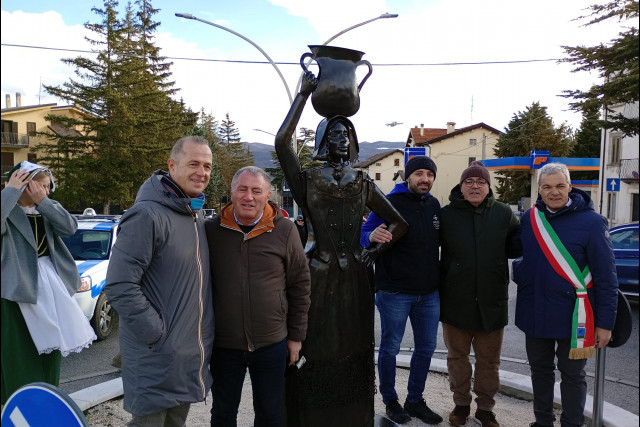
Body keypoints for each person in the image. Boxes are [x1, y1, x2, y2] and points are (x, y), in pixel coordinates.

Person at [276, 72, 408, 426]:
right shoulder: (307, 179)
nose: (341, 139)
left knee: (354, 344)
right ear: (322, 140)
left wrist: (373, 253)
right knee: (314, 344)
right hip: (316, 273)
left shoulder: (363, 181)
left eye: (346, 134)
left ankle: (353, 413)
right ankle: (311, 415)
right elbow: (282, 143)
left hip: (357, 278)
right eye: (334, 134)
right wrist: (303, 96)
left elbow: (399, 223)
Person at [105, 136, 214, 426]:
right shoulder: (146, 215)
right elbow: (119, 285)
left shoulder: (193, 214)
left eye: (207, 166)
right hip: (155, 355)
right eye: (193, 164)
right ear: (172, 165)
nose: (201, 172)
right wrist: (158, 334)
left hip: (186, 356)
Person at [513, 163, 618, 427]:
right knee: (540, 372)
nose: (554, 192)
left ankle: (572, 424)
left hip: (574, 317)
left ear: (570, 187)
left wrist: (605, 324)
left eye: (560, 186)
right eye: (547, 187)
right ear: (539, 190)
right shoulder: (530, 219)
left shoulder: (593, 223)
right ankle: (543, 422)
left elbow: (606, 278)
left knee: (573, 377)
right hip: (535, 312)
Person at [205, 166, 311, 426]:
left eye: (256, 191)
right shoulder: (211, 230)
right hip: (224, 345)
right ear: (232, 192)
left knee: (269, 414)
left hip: (271, 343)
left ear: (267, 195)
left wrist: (296, 337)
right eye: (242, 189)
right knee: (222, 414)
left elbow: (300, 284)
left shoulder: (285, 230)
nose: (249, 197)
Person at [1, 162, 96, 404]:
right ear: (23, 185)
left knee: (52, 342)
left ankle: (49, 396)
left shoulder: (46, 208)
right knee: (19, 349)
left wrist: (43, 202)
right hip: (17, 287)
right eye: (40, 186)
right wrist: (9, 192)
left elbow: (70, 227)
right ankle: (21, 401)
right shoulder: (7, 208)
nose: (46, 191)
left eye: (47, 187)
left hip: (51, 284)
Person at [361, 155, 443, 425]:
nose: (425, 179)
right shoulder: (389, 203)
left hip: (428, 293)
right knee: (390, 349)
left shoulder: (434, 205)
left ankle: (415, 400)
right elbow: (362, 234)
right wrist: (371, 236)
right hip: (394, 291)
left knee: (426, 348)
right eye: (419, 174)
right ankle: (391, 400)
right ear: (408, 177)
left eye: (429, 175)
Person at [439, 161, 521, 427]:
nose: (475, 186)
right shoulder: (446, 215)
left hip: (492, 301)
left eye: (480, 182)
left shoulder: (503, 214)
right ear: (461, 186)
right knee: (457, 359)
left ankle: (485, 408)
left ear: (488, 186)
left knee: (489, 361)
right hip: (455, 300)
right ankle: (461, 404)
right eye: (469, 182)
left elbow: (519, 245)